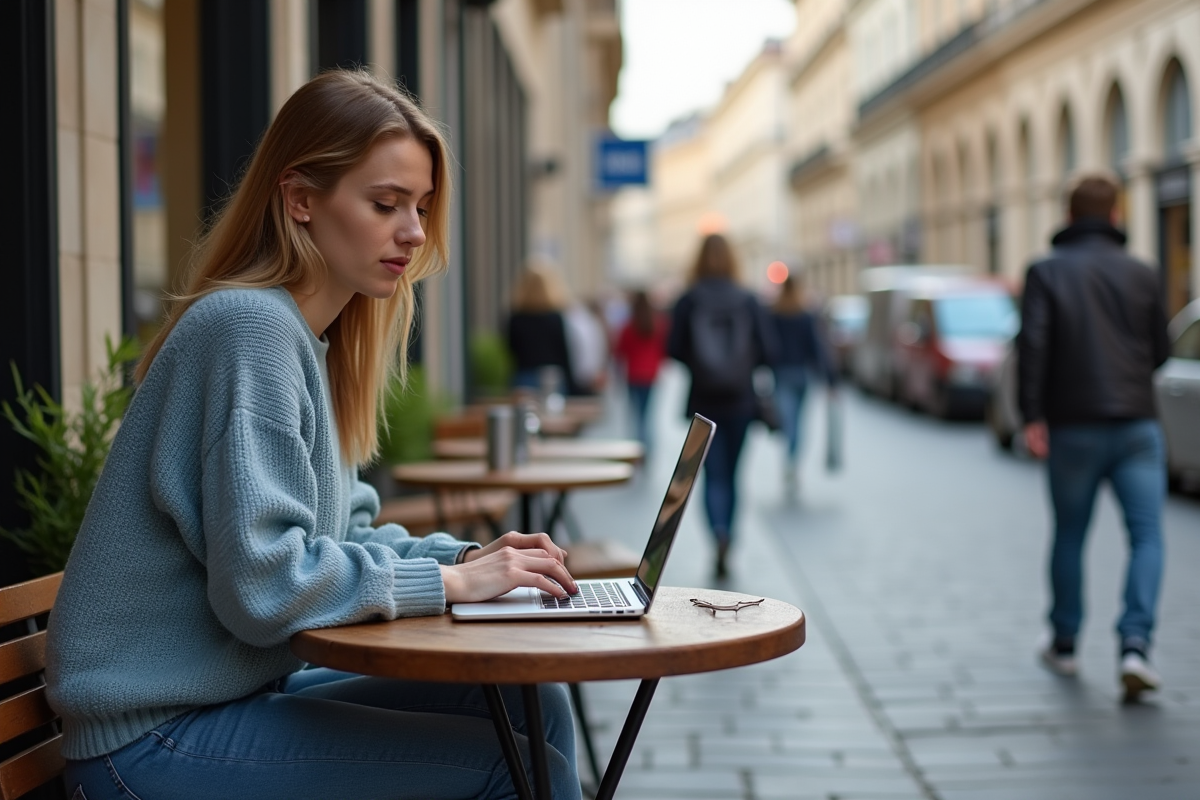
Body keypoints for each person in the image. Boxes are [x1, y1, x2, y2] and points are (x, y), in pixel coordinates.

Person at [45, 70, 582, 800]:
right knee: (513, 770)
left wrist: (466, 559)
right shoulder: (250, 331)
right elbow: (265, 586)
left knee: (532, 701)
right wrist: (451, 585)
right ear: (300, 199)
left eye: (421, 207)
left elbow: (344, 532)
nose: (414, 232)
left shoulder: (305, 339)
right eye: (385, 203)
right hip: (148, 739)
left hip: (222, 698)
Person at [1018, 174, 1170, 701]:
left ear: (1069, 214)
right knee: (1147, 536)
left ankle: (1064, 643)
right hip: (1137, 425)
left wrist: (1032, 415)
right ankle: (1136, 645)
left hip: (1073, 425)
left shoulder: (1045, 271)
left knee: (1069, 534)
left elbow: (1033, 345)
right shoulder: (1144, 272)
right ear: (1116, 215)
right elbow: (1160, 351)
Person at [668, 234, 777, 579]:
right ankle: (729, 536)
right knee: (732, 475)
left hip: (703, 403)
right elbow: (768, 350)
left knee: (712, 476)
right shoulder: (747, 299)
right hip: (741, 401)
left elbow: (672, 348)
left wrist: (700, 365)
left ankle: (717, 534)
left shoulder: (688, 300)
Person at [769, 274, 837, 492]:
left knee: (789, 420)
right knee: (797, 422)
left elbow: (768, 345)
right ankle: (792, 462)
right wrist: (830, 379)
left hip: (782, 374)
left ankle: (790, 460)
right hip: (802, 374)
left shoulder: (774, 314)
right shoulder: (805, 315)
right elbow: (817, 348)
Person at [507, 263, 575, 395]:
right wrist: (571, 383)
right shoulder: (555, 318)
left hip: (525, 374)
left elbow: (511, 350)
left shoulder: (516, 319)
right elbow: (563, 352)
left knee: (526, 408)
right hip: (552, 375)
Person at [614, 289, 668, 453]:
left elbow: (620, 351)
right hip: (651, 374)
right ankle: (646, 446)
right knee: (647, 413)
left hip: (633, 375)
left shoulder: (628, 326)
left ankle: (639, 445)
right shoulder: (658, 325)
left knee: (637, 414)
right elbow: (664, 350)